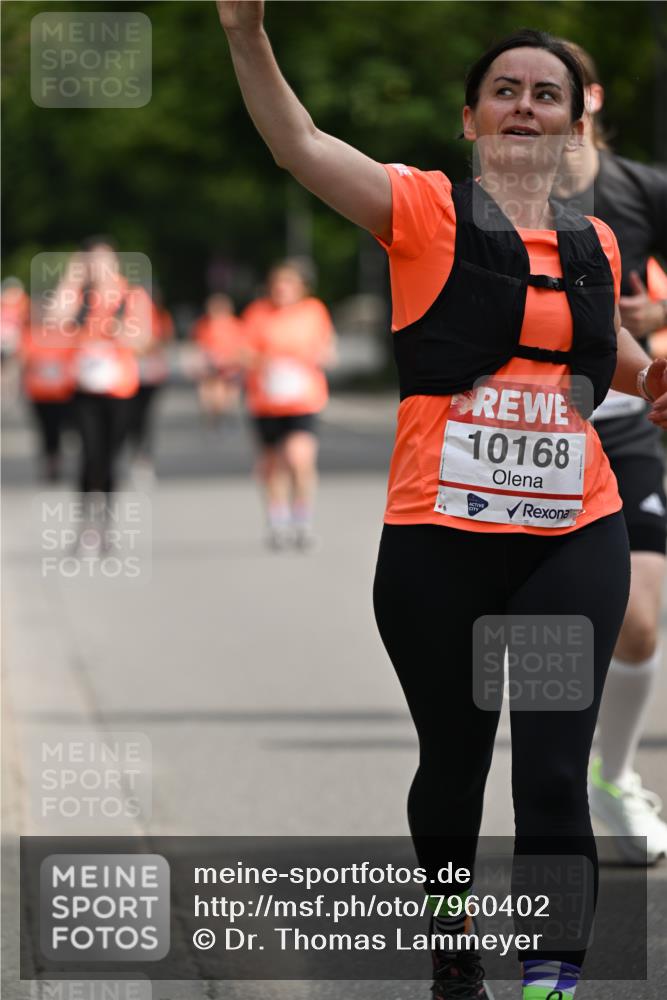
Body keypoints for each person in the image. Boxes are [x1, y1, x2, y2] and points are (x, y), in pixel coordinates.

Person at [217, 7, 667, 998]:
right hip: (440, 539)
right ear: (471, 118)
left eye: (543, 93)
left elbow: (619, 365)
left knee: (551, 775)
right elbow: (298, 145)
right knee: (454, 769)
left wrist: (657, 373)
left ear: (572, 124)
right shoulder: (420, 208)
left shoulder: (593, 242)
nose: (523, 105)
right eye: (503, 90)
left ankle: (551, 980)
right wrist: (247, 32)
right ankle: (451, 941)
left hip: (566, 534)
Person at [553, 42, 667, 865]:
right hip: (530, 429)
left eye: (558, 88)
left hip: (624, 418)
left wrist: (651, 314)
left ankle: (613, 773)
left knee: (637, 618)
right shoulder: (488, 196)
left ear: (587, 97)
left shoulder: (640, 188)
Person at [45, 240, 152, 544]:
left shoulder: (132, 296)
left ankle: (105, 522)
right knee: (89, 453)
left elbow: (144, 341)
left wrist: (120, 334)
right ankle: (85, 523)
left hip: (120, 390)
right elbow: (54, 319)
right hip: (84, 390)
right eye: (90, 262)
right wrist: (71, 278)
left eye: (102, 261)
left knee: (108, 457)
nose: (96, 268)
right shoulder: (79, 295)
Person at [241, 260, 336, 549]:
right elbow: (241, 353)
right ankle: (277, 520)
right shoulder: (257, 313)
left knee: (299, 458)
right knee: (272, 465)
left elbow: (329, 350)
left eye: (289, 282)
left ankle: (302, 520)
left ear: (301, 287)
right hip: (266, 401)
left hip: (303, 400)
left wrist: (314, 357)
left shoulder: (314, 311)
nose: (282, 288)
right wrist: (265, 362)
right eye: (277, 282)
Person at [191, 293, 244, 426]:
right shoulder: (203, 325)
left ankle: (223, 416)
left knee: (227, 398)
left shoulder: (236, 325)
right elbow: (198, 346)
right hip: (211, 367)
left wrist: (232, 360)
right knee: (210, 396)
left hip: (230, 366)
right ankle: (213, 417)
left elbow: (242, 347)